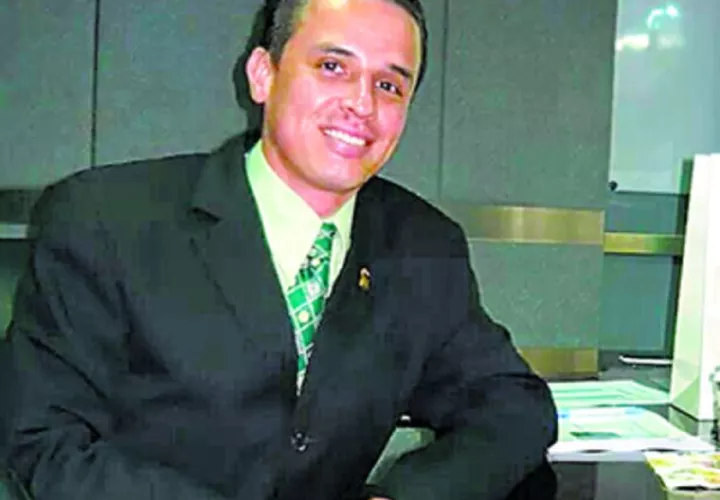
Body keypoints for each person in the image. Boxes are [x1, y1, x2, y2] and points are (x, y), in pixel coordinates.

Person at [5, 0, 557, 499]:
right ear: (263, 75)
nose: (361, 104)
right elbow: (43, 441)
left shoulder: (422, 247)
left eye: (389, 85)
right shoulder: (107, 219)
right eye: (333, 66)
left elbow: (513, 404)